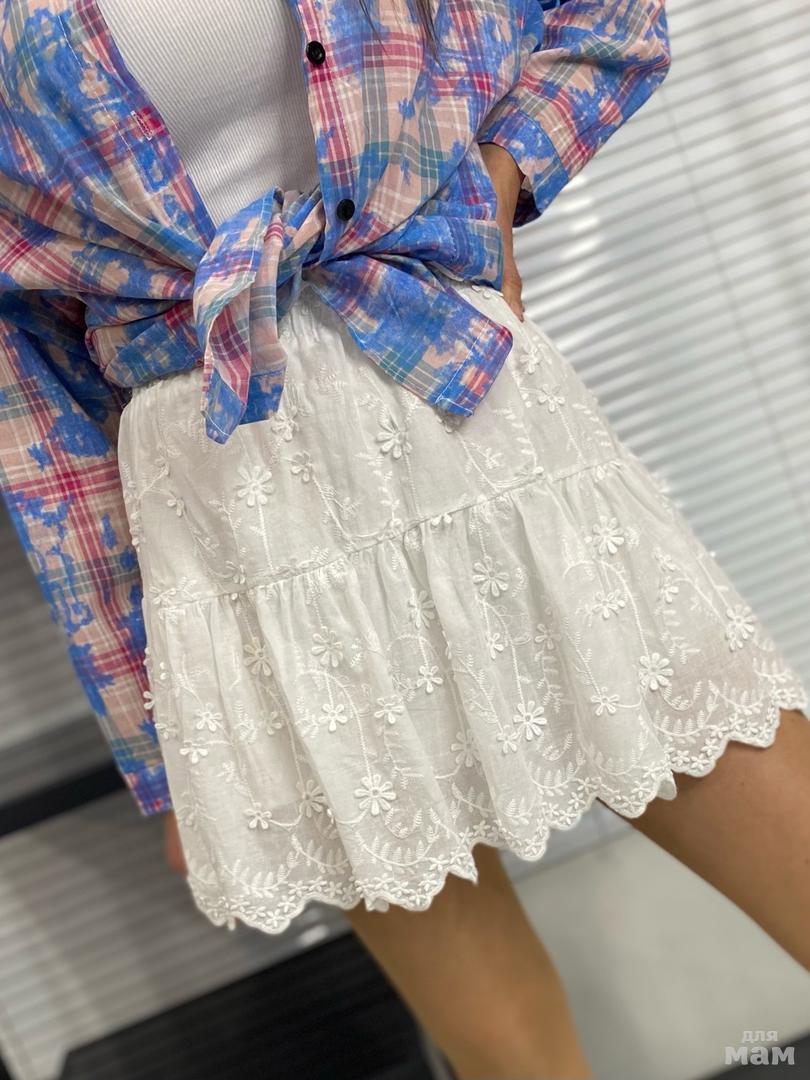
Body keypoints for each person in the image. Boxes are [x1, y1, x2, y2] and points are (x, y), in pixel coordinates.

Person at [1, 1, 808, 1077]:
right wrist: (162, 748)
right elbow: (42, 432)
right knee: (508, 1052)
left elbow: (609, 17)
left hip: (456, 401)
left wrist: (493, 189)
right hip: (235, 527)